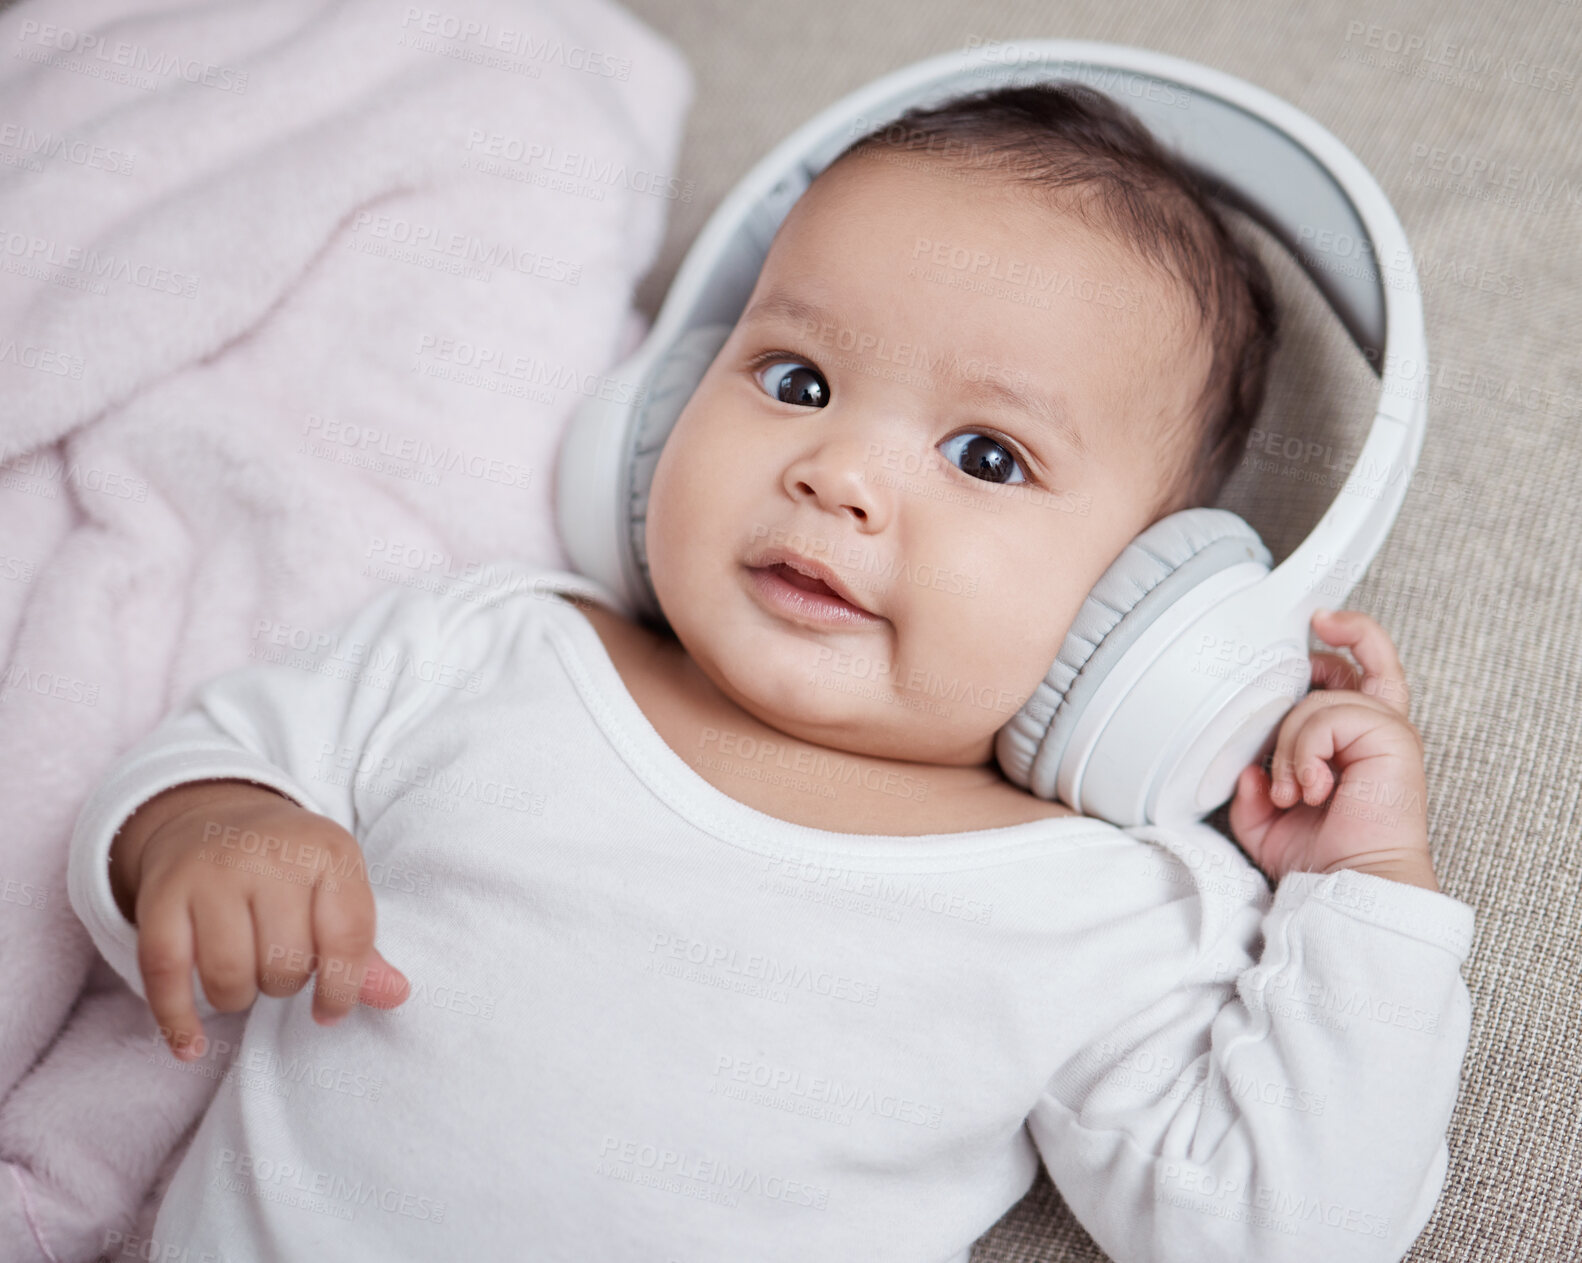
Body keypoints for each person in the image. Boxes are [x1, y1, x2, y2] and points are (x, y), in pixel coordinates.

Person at [71, 83, 1473, 1263]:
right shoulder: (490, 645)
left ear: (1136, 614)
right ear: (659, 411)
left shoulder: (1104, 904)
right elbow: (183, 776)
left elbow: (1292, 1226)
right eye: (794, 378)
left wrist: (1362, 892)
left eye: (986, 456)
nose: (838, 473)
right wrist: (205, 831)